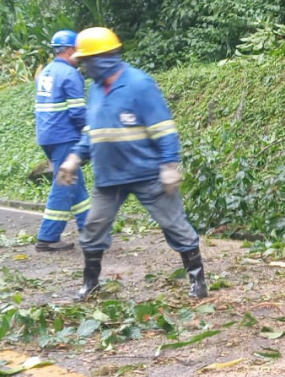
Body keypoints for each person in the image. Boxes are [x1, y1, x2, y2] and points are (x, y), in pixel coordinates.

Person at [56, 27, 208, 301]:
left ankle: (198, 281)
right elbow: (93, 132)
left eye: (86, 61)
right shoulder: (96, 90)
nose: (83, 67)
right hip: (109, 177)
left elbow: (164, 128)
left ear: (102, 58)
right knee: (93, 229)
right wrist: (75, 157)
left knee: (175, 225)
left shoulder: (139, 84)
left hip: (147, 173)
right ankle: (90, 284)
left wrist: (170, 165)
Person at [33, 30, 90, 251]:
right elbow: (77, 112)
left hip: (48, 136)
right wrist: (90, 132)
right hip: (64, 135)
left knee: (76, 184)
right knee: (64, 183)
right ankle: (48, 237)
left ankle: (90, 229)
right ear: (70, 50)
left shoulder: (46, 72)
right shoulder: (70, 74)